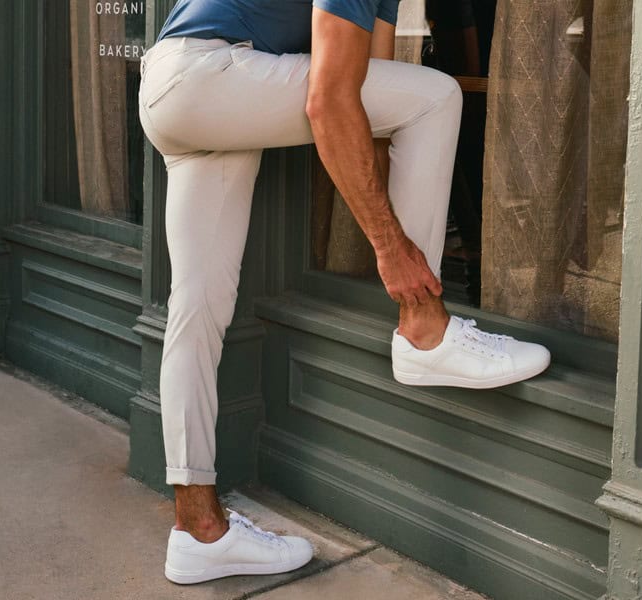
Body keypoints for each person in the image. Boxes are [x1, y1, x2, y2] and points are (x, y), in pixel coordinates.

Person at [137, 0, 551, 585]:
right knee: (437, 96)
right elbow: (332, 100)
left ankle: (198, 530)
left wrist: (387, 219)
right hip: (210, 74)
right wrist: (392, 249)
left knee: (197, 308)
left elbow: (373, 105)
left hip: (178, 89)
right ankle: (424, 328)